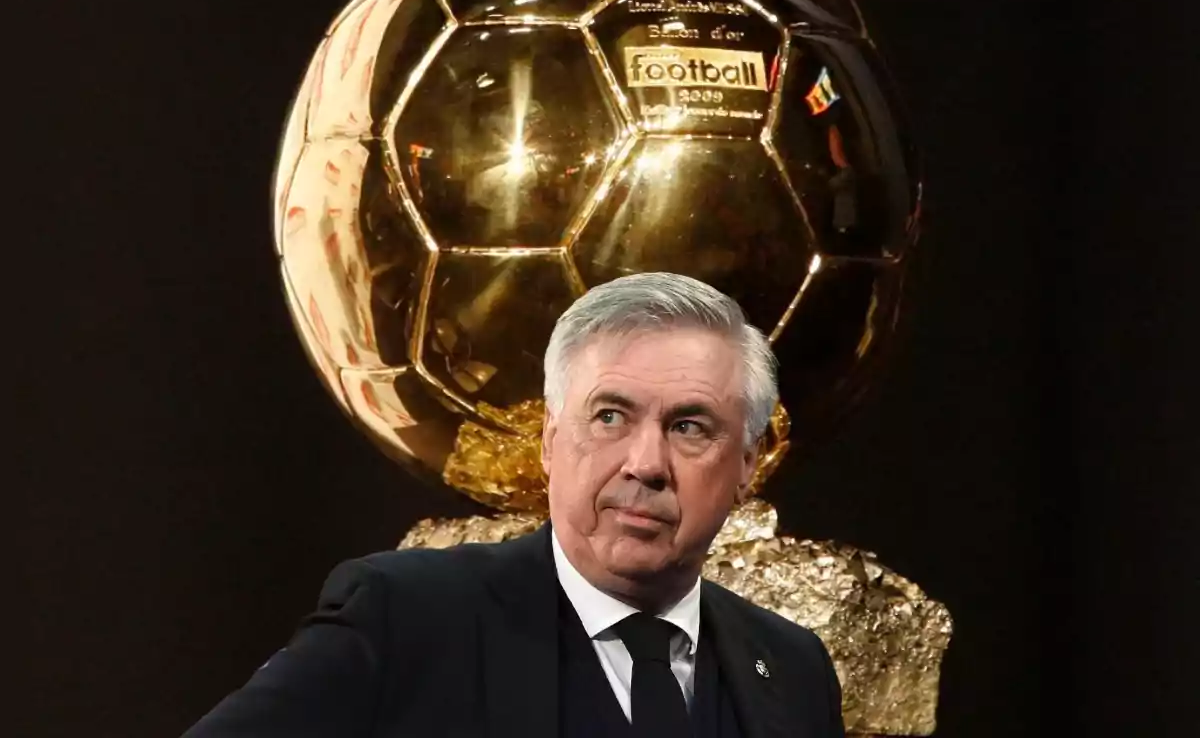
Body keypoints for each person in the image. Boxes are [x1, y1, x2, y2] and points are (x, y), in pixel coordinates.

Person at [183, 272, 845, 737]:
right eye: (610, 416)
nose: (645, 464)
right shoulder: (407, 620)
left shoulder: (792, 667)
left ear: (747, 467)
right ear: (552, 444)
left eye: (689, 427)